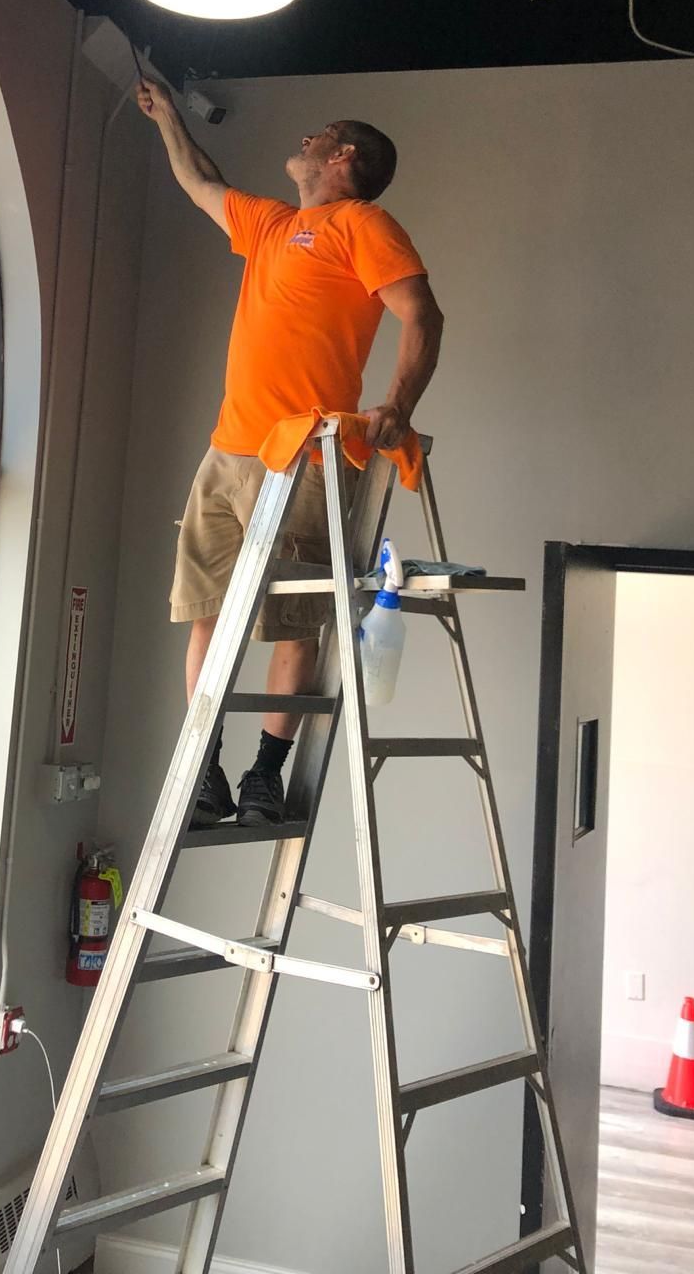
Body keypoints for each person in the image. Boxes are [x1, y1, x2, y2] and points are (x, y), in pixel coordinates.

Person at [136, 75, 444, 829]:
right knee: (206, 614)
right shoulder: (270, 224)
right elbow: (202, 181)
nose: (301, 143)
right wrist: (167, 116)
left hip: (306, 453)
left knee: (295, 624)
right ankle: (204, 768)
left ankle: (264, 776)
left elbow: (423, 315)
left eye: (316, 138)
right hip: (229, 449)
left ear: (341, 156)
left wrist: (398, 410)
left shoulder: (361, 223)